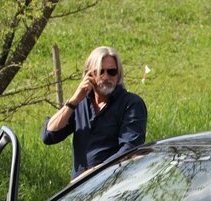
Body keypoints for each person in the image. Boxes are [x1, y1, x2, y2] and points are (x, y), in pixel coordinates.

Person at [42, 46, 147, 179]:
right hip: (82, 189)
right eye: (100, 71)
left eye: (112, 72)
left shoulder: (131, 104)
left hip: (116, 185)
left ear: (119, 75)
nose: (106, 77)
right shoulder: (80, 104)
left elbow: (130, 150)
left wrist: (92, 175)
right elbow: (49, 136)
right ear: (89, 74)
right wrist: (74, 100)